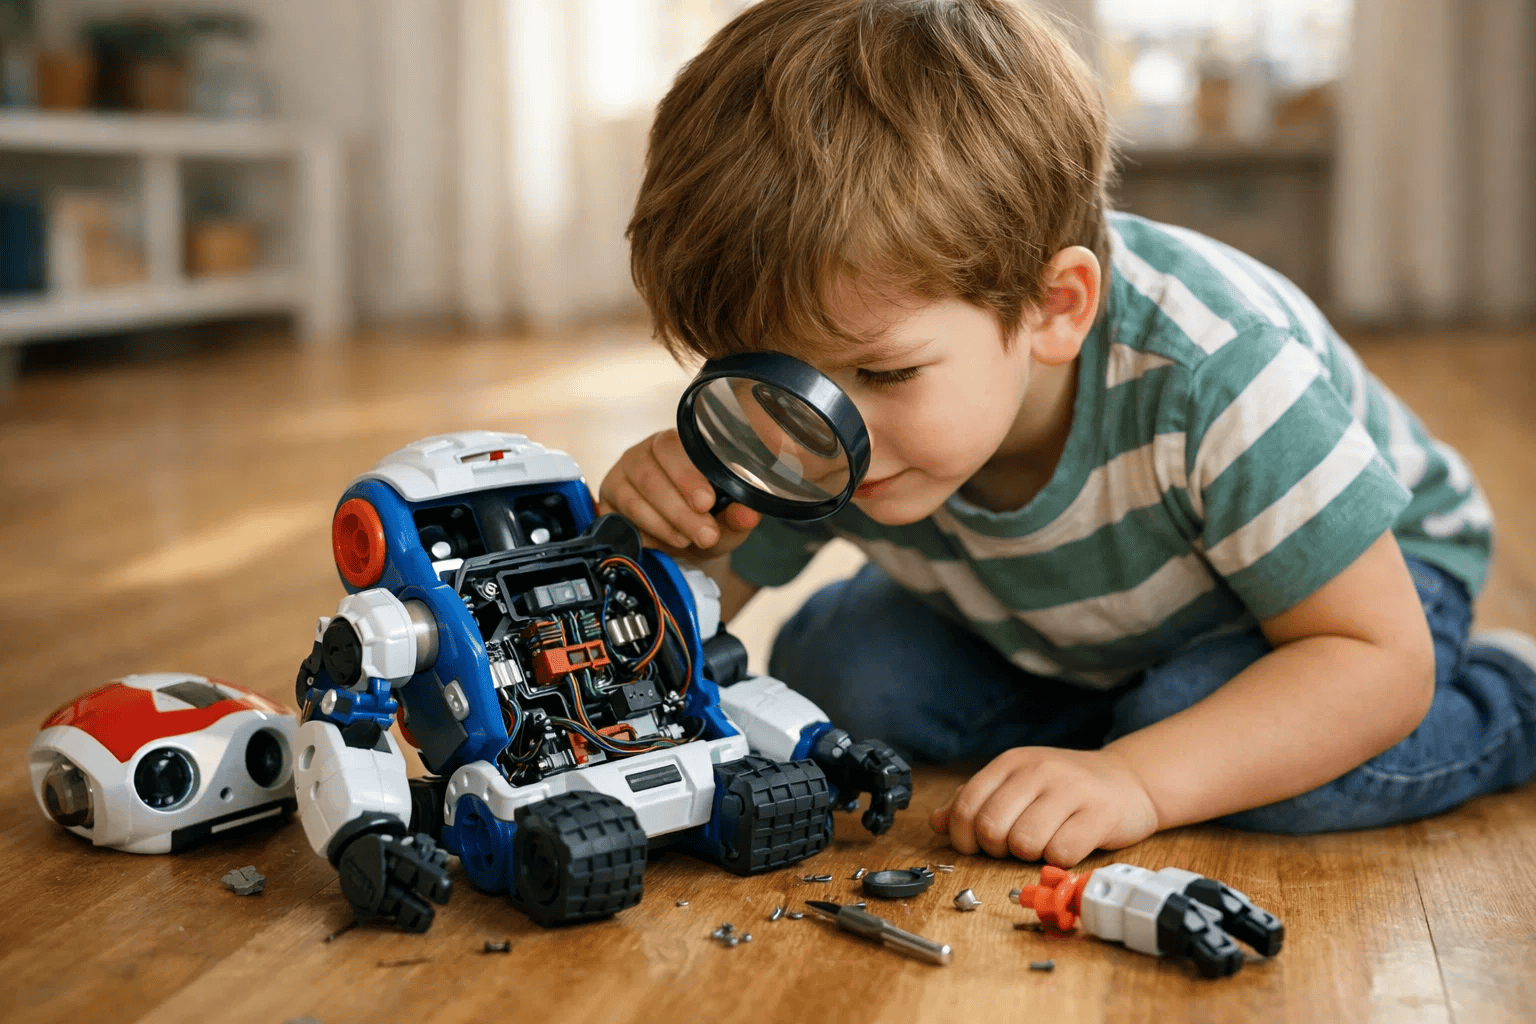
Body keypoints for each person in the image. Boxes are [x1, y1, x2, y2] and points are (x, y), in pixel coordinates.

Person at [599, 0, 1536, 866]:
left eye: (886, 375)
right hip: (1070, 612)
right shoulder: (823, 403)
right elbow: (688, 618)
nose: (824, 440)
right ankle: (1128, 713)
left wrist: (1138, 778)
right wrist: (682, 537)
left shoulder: (1215, 372)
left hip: (1352, 602)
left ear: (1055, 308)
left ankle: (1512, 696)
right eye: (774, 384)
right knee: (844, 676)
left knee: (1223, 745)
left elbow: (1377, 663)